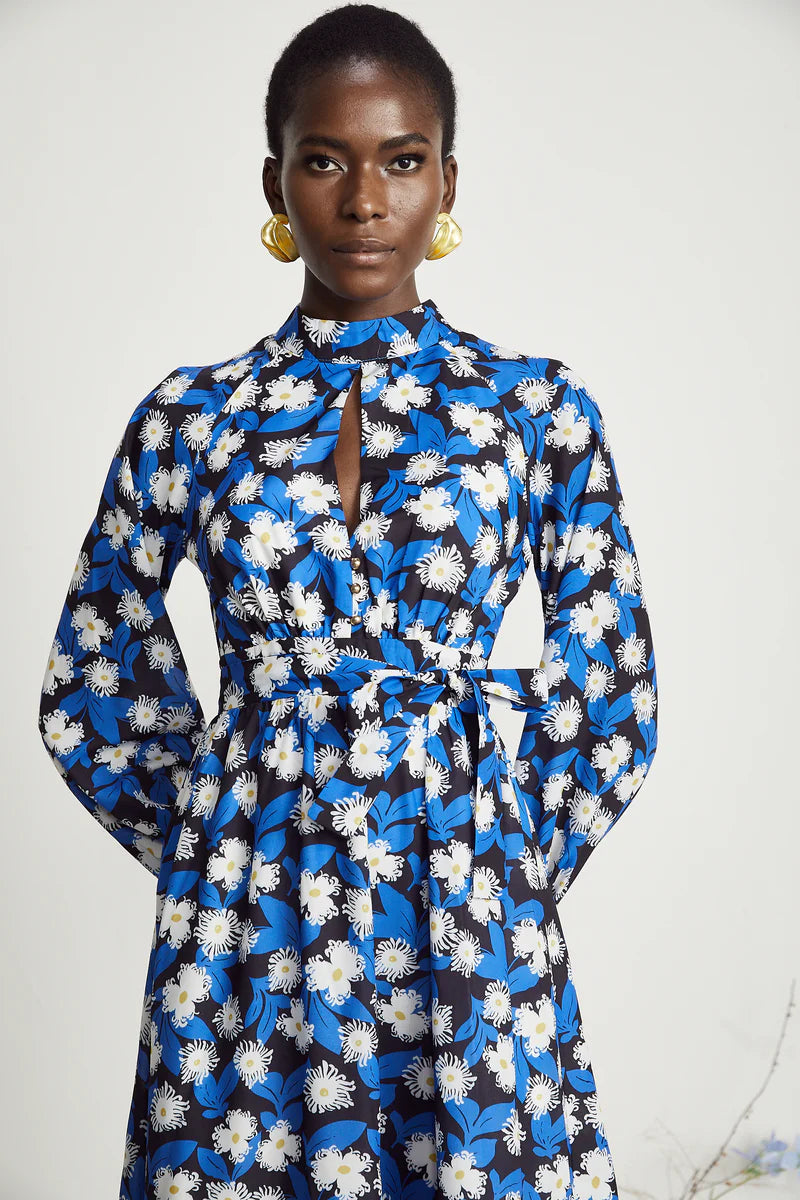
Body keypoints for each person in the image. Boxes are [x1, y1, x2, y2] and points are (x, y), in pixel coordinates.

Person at [37, 5, 659, 1198]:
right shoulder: (192, 416)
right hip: (249, 935)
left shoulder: (534, 409)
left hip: (468, 928)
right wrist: (222, 845)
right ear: (274, 180)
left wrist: (487, 856)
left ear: (446, 181)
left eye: (400, 160)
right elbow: (92, 672)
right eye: (324, 160)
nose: (364, 200)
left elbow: (611, 688)